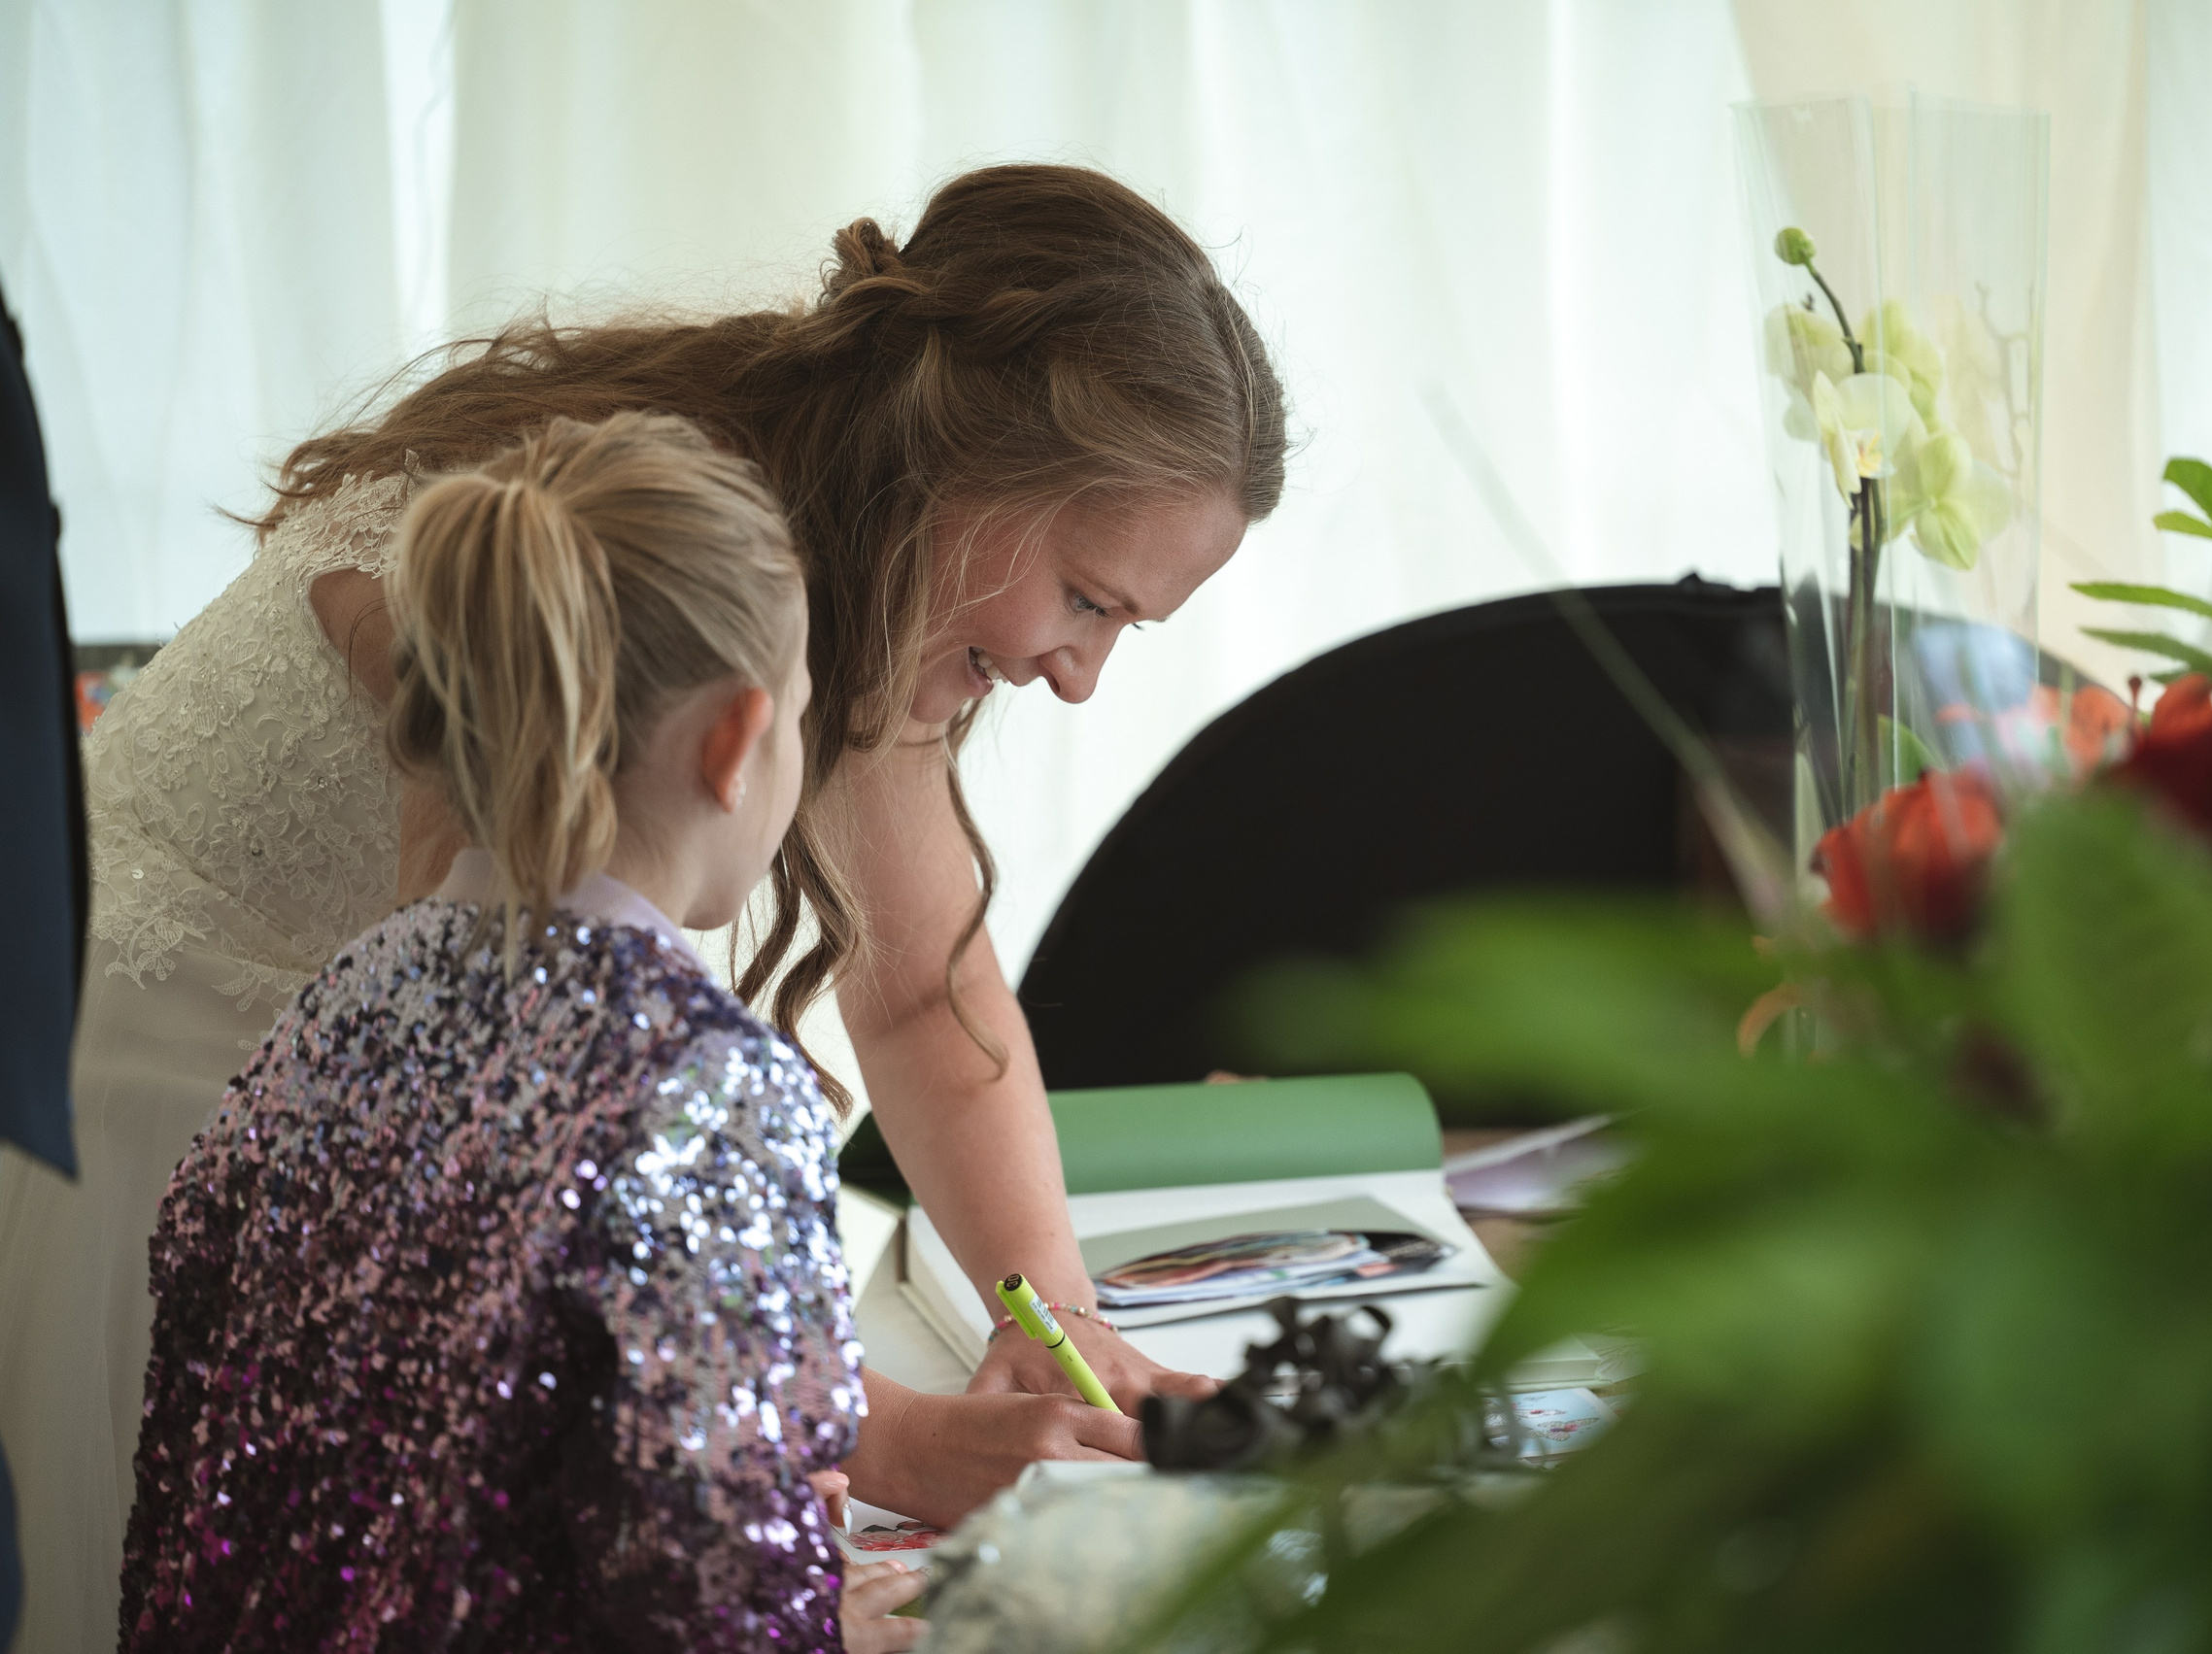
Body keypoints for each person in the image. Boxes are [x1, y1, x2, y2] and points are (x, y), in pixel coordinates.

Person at [0, 162, 1279, 1651]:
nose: (1082, 676)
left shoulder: (820, 582)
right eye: (1089, 598)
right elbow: (518, 1214)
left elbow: (926, 989)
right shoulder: (568, 611)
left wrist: (1051, 1320)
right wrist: (898, 1445)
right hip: (168, 1133)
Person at [120, 412, 924, 1652]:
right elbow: (712, 1591)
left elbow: (209, 1447)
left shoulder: (330, 1010)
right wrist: (810, 1613)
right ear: (734, 741)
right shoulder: (711, 1089)